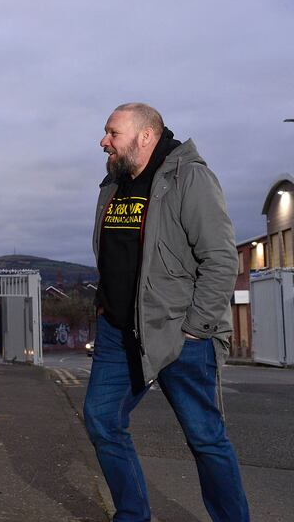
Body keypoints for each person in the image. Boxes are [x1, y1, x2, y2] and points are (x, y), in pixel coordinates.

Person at [84, 103, 249, 521]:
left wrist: (197, 328)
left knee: (205, 438)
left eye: (112, 133)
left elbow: (221, 259)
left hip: (180, 333)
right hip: (118, 332)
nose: (104, 141)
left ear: (145, 136)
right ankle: (132, 514)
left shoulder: (188, 178)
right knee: (102, 420)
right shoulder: (114, 183)